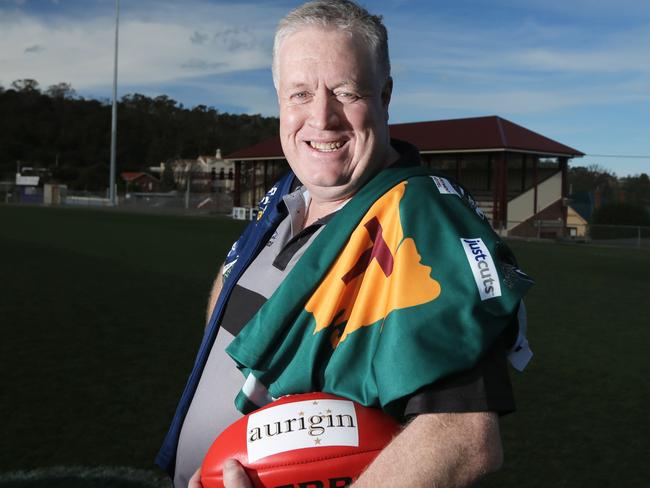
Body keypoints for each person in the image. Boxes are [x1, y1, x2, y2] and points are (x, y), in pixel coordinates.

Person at [156, 1, 533, 487]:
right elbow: (234, 289)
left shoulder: (420, 221)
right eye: (300, 93)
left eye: (346, 92)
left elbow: (462, 438)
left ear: (385, 95)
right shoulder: (290, 191)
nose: (322, 117)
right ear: (278, 98)